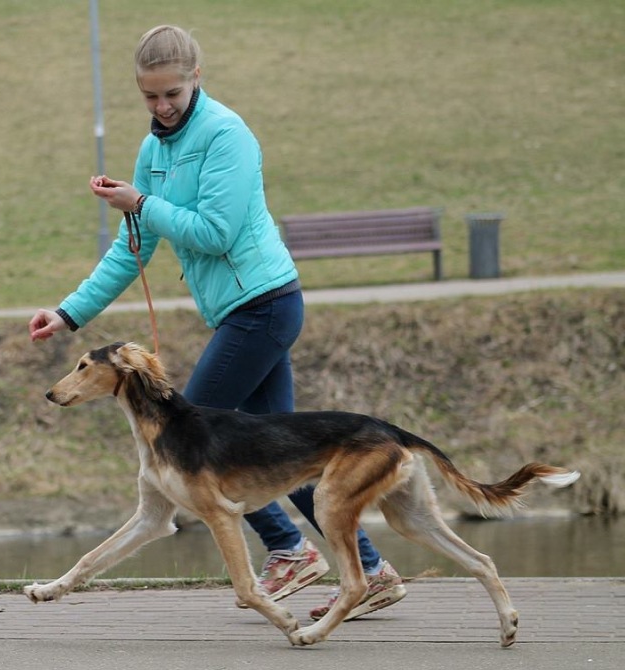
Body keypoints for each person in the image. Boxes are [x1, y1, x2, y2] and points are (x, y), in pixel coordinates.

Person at [28, 24, 406, 621]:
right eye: (150, 97)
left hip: (265, 304)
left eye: (172, 93)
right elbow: (134, 248)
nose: (162, 106)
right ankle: (371, 573)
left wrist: (143, 204)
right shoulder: (152, 152)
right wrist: (69, 312)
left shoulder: (228, 135)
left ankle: (288, 549)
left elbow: (215, 232)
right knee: (289, 449)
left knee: (191, 439)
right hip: (239, 311)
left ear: (196, 78)